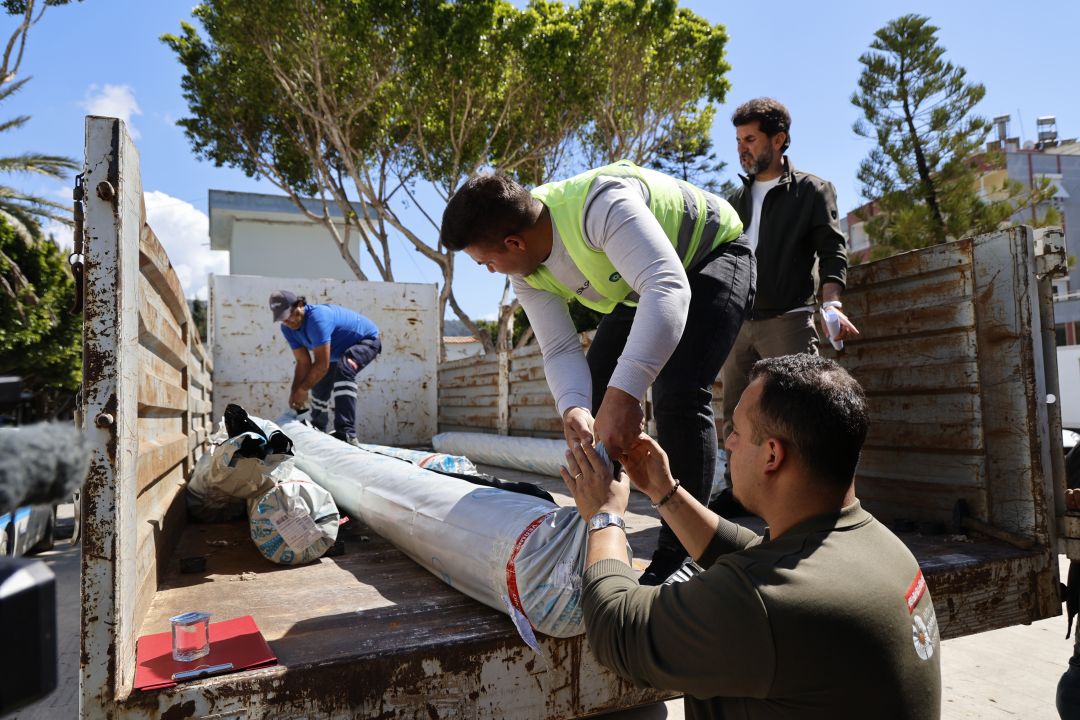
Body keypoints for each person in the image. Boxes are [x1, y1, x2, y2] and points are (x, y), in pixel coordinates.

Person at [561, 354, 941, 719]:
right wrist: (664, 491)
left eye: (737, 432)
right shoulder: (880, 545)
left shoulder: (763, 604)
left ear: (772, 455)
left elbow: (615, 628)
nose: (728, 443)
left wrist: (604, 515)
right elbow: (760, 555)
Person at [440, 160, 755, 584]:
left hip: (713, 255)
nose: (490, 271)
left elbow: (667, 287)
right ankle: (603, 521)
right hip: (638, 289)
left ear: (514, 242)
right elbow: (558, 346)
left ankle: (684, 553)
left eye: (486, 263)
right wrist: (572, 406)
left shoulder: (598, 206)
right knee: (591, 395)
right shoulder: (527, 273)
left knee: (678, 390)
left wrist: (625, 394)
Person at [716, 98, 859, 515]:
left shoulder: (812, 190)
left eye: (751, 138)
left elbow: (833, 250)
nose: (742, 147)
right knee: (735, 416)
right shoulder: (733, 200)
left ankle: (808, 501)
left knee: (801, 412)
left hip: (789, 320)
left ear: (778, 140)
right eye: (738, 139)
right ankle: (739, 495)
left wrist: (832, 303)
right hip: (738, 324)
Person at [269, 290, 381, 444]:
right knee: (318, 382)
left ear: (300, 305)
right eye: (282, 319)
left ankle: (347, 433)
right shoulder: (287, 329)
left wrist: (302, 390)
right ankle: (318, 428)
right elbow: (303, 362)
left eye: (289, 315)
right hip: (336, 353)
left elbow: (321, 365)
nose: (287, 321)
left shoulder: (317, 318)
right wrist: (295, 392)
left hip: (366, 340)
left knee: (344, 371)